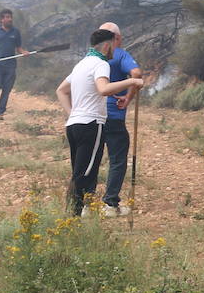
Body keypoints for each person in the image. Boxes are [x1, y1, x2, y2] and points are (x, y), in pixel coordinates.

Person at [56, 29, 145, 217]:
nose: (115, 50)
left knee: (80, 171)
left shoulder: (81, 64)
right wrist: (132, 82)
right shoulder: (100, 63)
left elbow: (61, 90)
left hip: (74, 125)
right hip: (91, 124)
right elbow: (103, 89)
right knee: (84, 173)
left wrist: (73, 113)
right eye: (113, 45)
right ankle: (73, 218)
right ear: (107, 45)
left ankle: (75, 215)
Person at [96, 21, 142, 218]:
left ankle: (82, 205)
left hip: (92, 117)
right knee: (117, 160)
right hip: (113, 117)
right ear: (117, 38)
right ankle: (110, 204)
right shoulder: (120, 54)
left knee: (90, 160)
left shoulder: (92, 58)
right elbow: (137, 74)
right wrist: (128, 97)